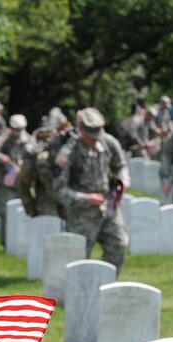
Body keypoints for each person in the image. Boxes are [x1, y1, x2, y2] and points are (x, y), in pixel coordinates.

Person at [52, 107, 129, 272]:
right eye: (90, 133)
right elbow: (58, 189)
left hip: (108, 207)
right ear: (80, 128)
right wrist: (84, 198)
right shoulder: (68, 152)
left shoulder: (108, 142)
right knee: (78, 259)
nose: (94, 137)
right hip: (81, 213)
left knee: (119, 245)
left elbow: (120, 166)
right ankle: (78, 293)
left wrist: (121, 182)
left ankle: (103, 285)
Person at [0, 113, 32, 242]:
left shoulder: (29, 140)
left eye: (20, 129)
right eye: (15, 129)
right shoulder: (3, 139)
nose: (18, 132)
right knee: (5, 213)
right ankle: (6, 242)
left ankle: (22, 242)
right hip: (6, 183)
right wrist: (1, 158)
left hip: (23, 183)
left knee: (26, 214)